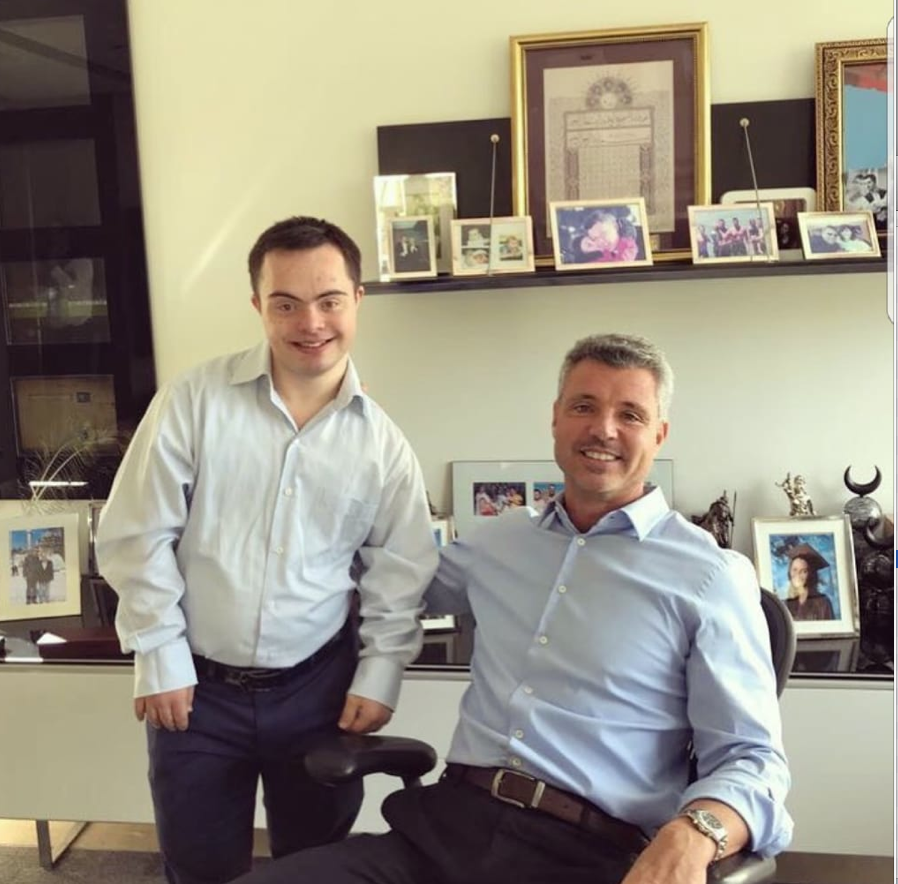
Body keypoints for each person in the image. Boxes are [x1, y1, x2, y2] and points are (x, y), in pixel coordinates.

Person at [232, 333, 792, 884]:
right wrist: (343, 454)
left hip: (587, 852)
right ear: (555, 419)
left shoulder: (711, 577)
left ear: (659, 433)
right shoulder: (499, 542)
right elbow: (382, 576)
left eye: (631, 415)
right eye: (584, 406)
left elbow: (753, 759)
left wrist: (695, 832)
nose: (604, 429)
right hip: (446, 830)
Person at [96, 215, 439, 884]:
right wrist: (159, 652)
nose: (310, 322)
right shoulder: (194, 401)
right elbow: (137, 533)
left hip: (320, 691)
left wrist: (380, 672)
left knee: (312, 870)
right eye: (286, 303)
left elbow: (400, 569)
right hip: (195, 692)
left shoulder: (383, 444)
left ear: (357, 300)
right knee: (199, 868)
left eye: (329, 300)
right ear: (258, 305)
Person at [780, 546, 835, 622]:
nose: (798, 574)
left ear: (811, 575)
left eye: (804, 571)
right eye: (794, 570)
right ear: (789, 572)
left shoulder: (823, 603)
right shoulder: (785, 604)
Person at [569, 209, 640, 263]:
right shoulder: (601, 257)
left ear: (615, 226)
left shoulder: (628, 249)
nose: (600, 242)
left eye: (603, 233)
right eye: (595, 238)